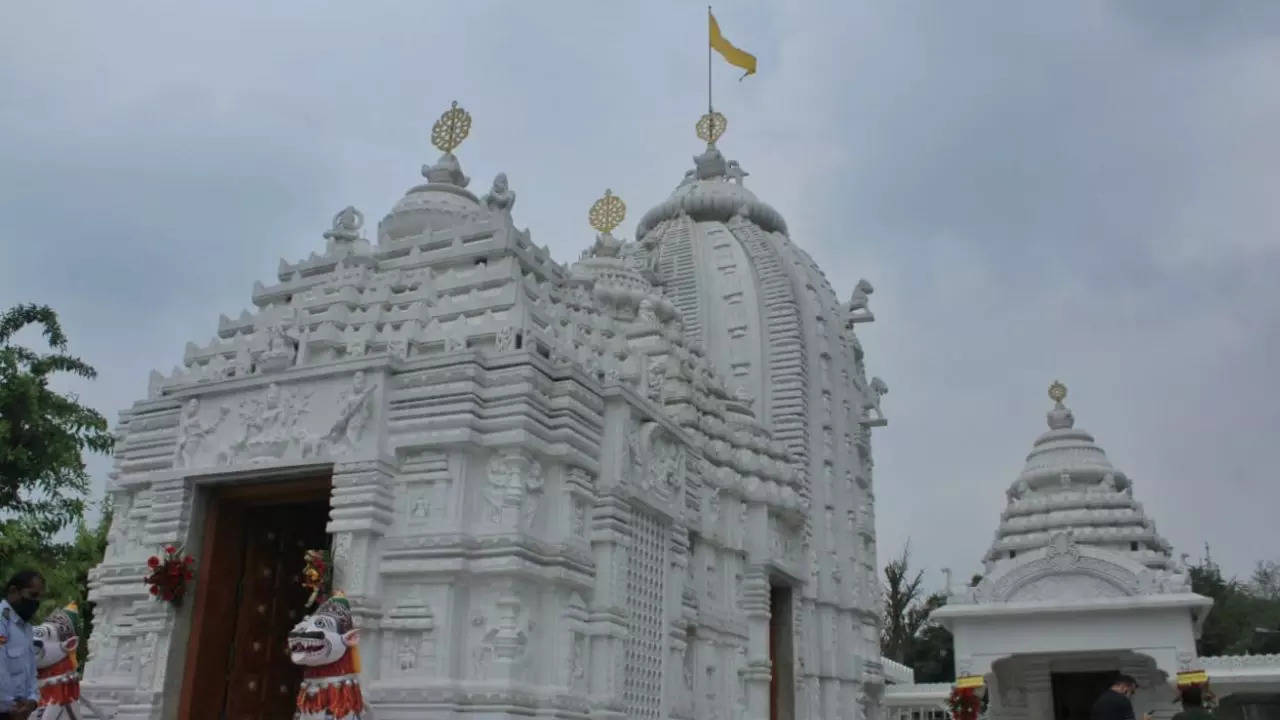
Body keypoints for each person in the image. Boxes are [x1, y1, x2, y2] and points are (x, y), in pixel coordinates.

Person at [0, 570, 43, 720]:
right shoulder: (1, 621)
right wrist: (11, 707)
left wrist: (32, 700)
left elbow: (31, 670)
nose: (36, 602)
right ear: (13, 591)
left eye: (39, 597)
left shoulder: (26, 628)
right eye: (32, 595)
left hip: (21, 712)